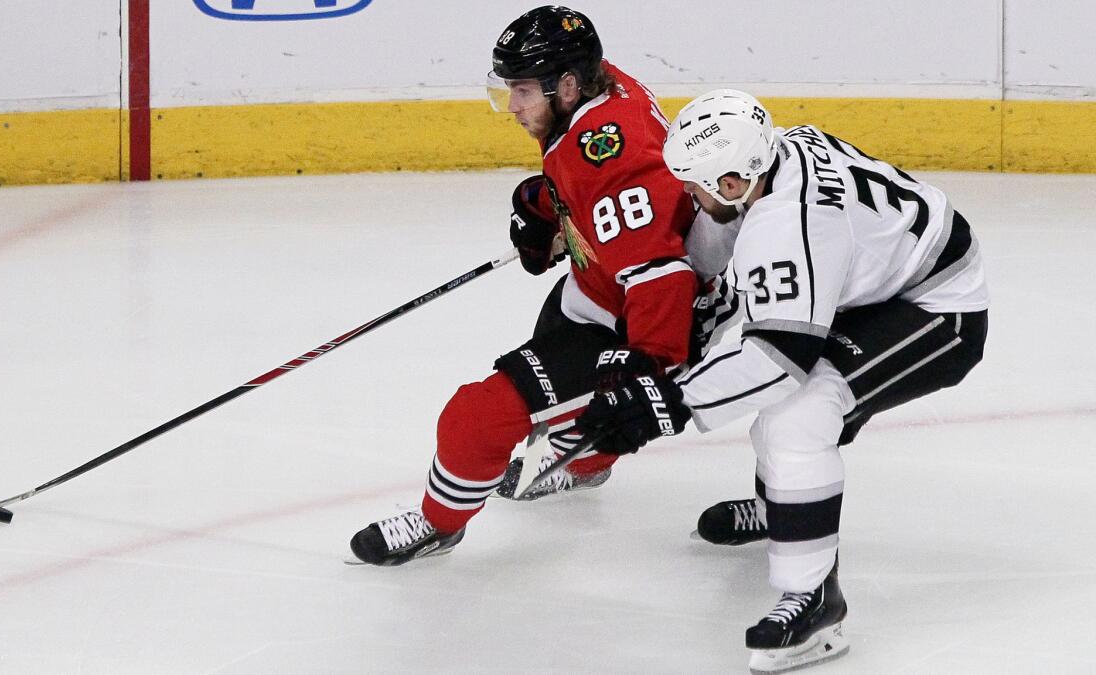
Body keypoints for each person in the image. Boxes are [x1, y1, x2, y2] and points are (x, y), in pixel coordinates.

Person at [572, 89, 989, 672]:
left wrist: (667, 402)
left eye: (696, 185)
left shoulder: (794, 220)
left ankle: (816, 601)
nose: (689, 196)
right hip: (874, 280)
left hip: (938, 305)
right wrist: (656, 349)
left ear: (736, 182)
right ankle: (783, 508)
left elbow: (778, 357)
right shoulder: (771, 159)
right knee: (785, 406)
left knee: (797, 416)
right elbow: (714, 254)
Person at [348, 6, 733, 566]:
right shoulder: (598, 90)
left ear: (568, 84)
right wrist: (549, 204)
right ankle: (586, 463)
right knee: (555, 389)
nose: (514, 107)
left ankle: (438, 524)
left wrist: (645, 368)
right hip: (598, 285)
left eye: (523, 91)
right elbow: (612, 201)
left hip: (641, 319)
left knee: (477, 416)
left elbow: (661, 275)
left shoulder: (612, 158)